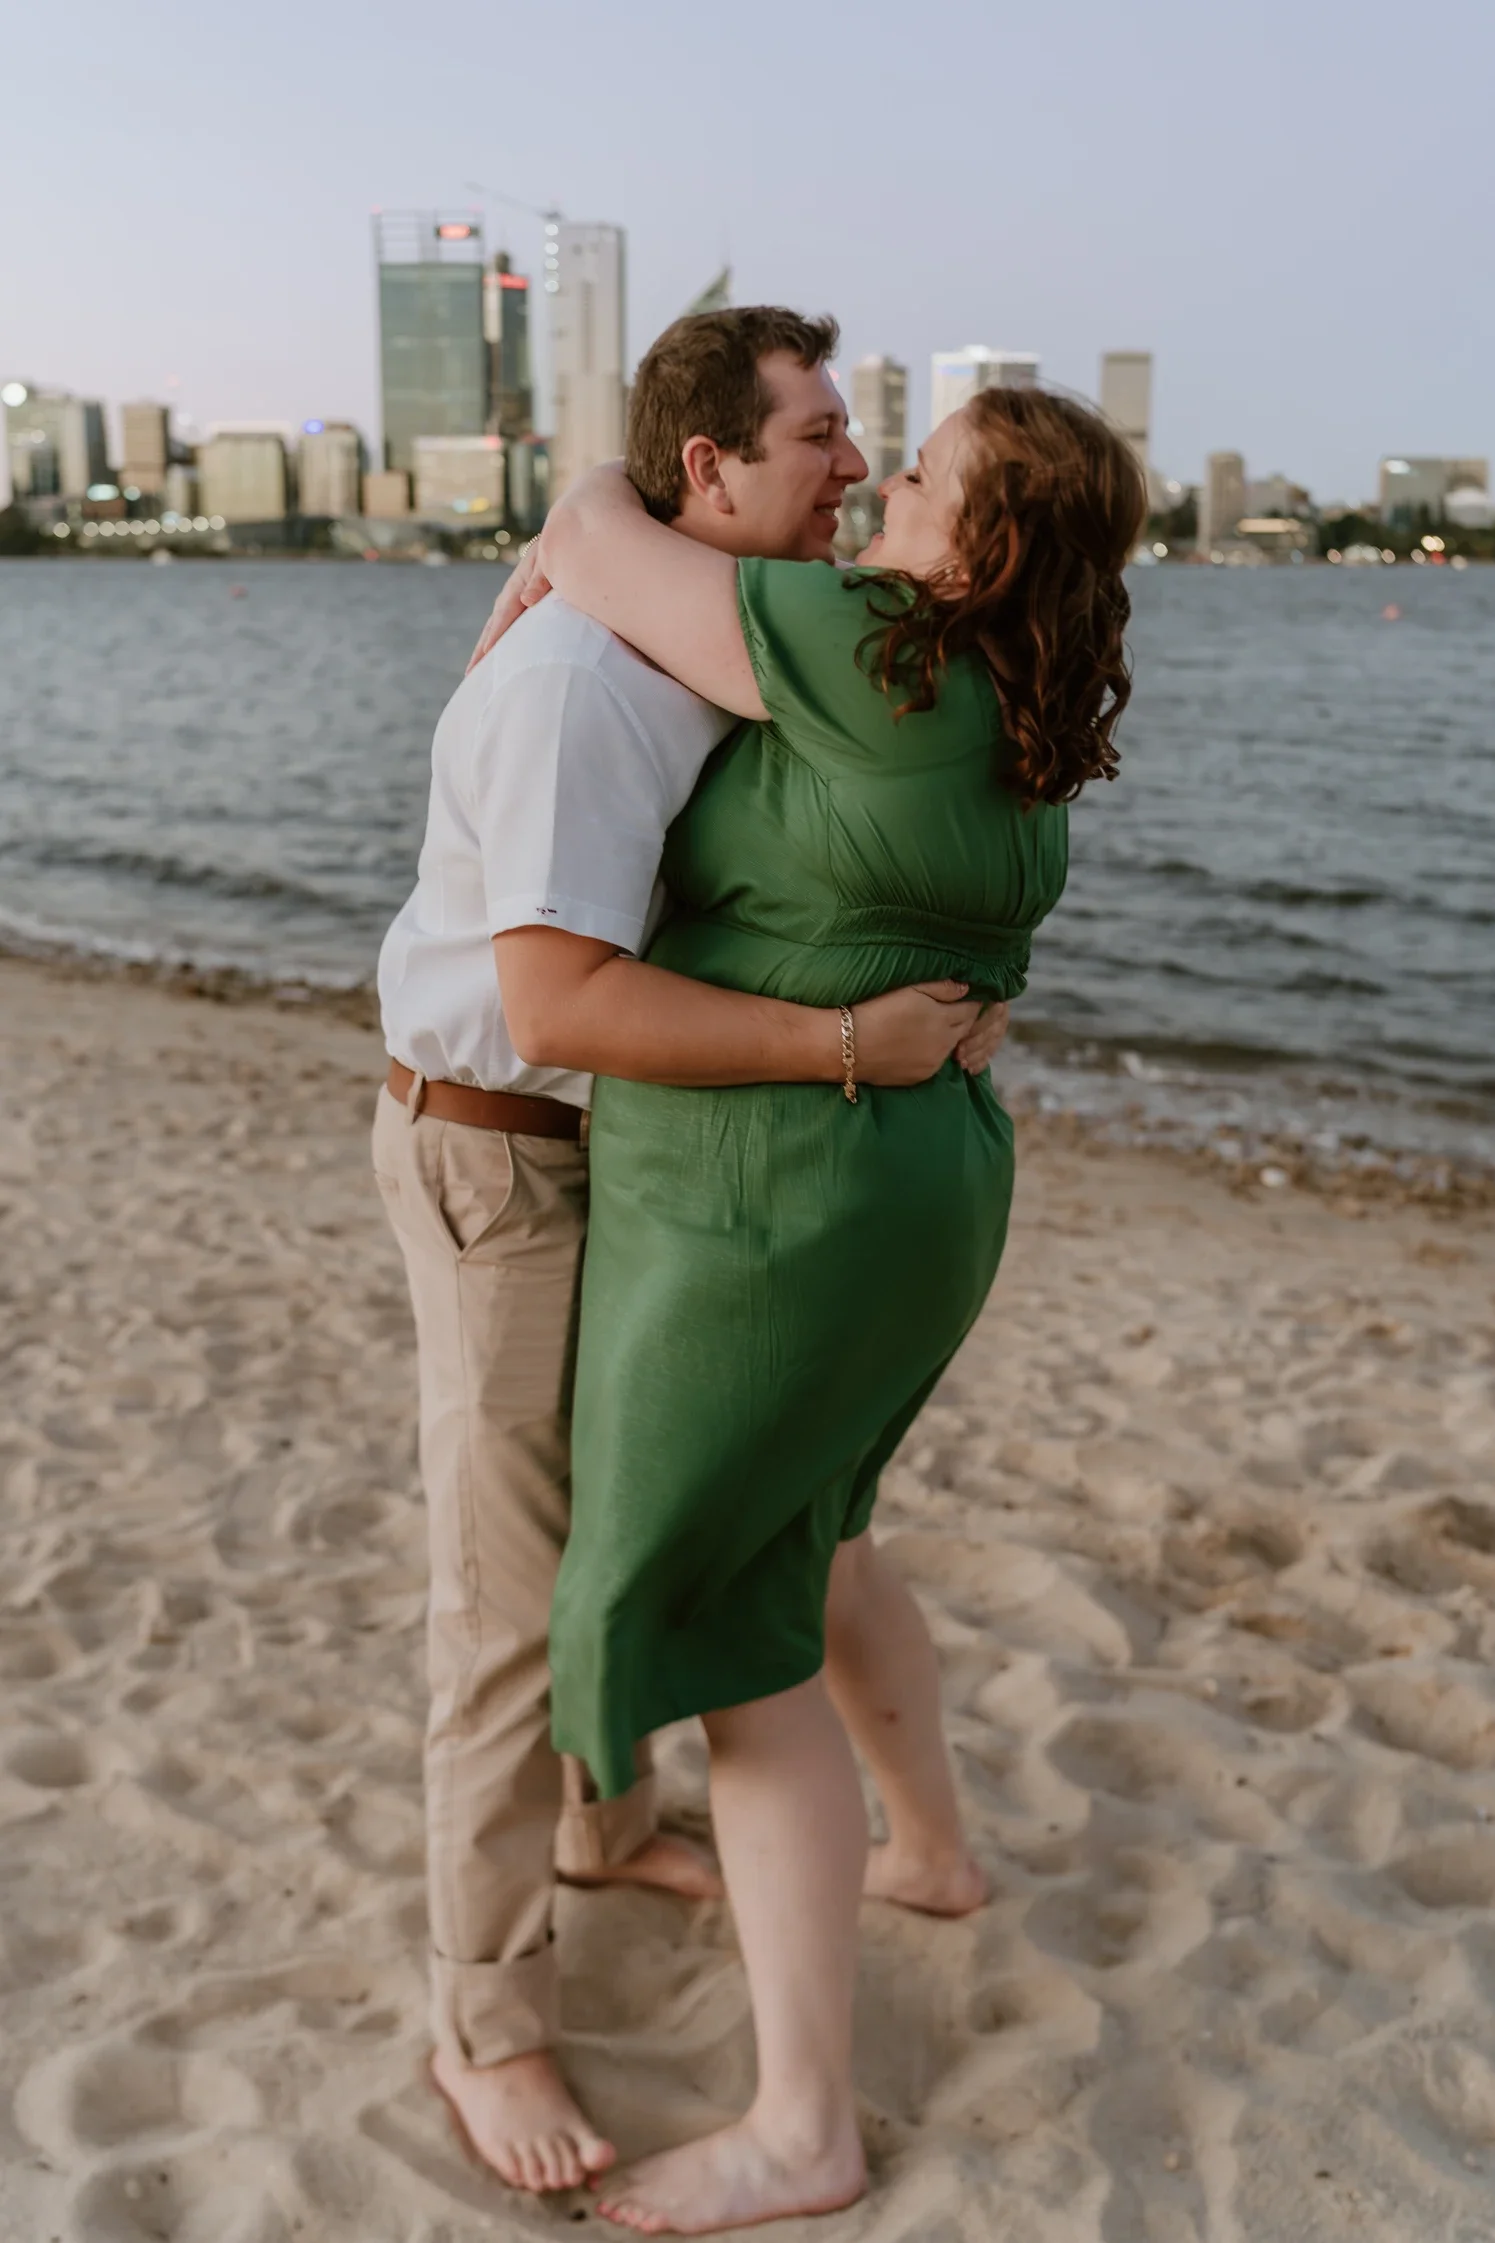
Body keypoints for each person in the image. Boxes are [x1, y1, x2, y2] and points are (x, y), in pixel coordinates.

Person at [491, 381, 1146, 2233]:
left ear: (981, 543)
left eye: (918, 474)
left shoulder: (872, 646)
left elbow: (598, 531)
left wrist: (589, 485)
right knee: (827, 1539)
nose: (877, 484)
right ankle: (927, 1853)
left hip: (788, 1195)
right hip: (921, 1179)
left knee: (745, 1616)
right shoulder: (1017, 713)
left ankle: (802, 2126)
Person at [372, 307, 1010, 2200]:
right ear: (707, 473)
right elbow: (558, 1002)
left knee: (624, 1513)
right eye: (815, 436)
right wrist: (842, 1045)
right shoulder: (583, 685)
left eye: (858, 436)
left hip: (631, 1171)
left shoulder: (727, 645)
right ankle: (482, 2022)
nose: (846, 467)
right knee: (499, 1609)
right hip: (510, 1156)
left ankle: (599, 1824)